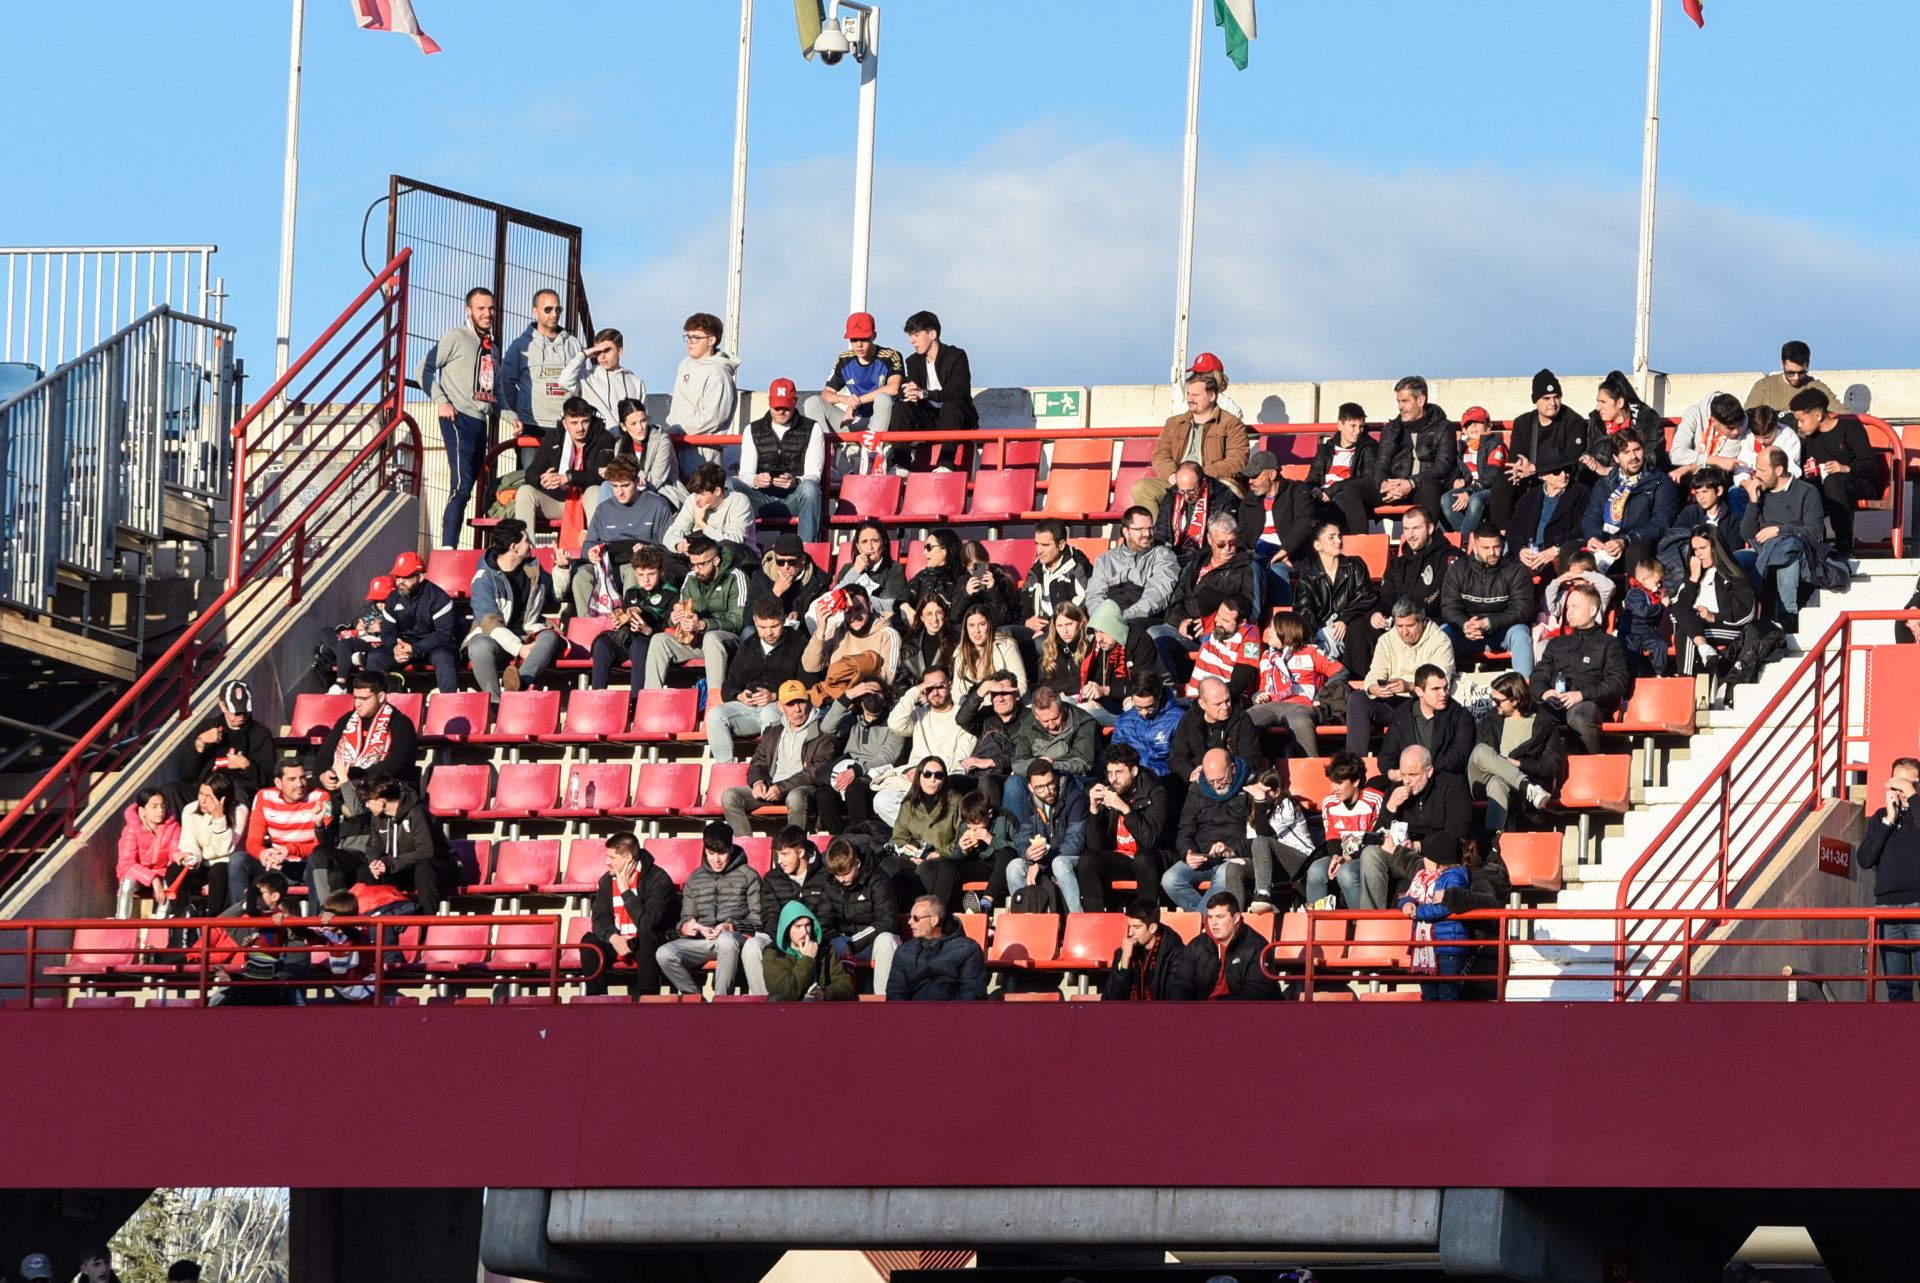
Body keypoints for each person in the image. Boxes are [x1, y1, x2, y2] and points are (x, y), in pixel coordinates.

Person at [420, 285, 499, 548]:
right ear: (469, 310)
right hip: (458, 418)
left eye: (490, 308)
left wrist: (513, 418)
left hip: (481, 420)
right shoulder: (456, 336)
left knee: (470, 487)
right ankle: (447, 547)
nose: (487, 313)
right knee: (461, 485)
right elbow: (424, 370)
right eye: (481, 308)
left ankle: (461, 547)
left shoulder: (492, 348)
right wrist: (442, 401)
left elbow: (496, 392)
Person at [1346, 745, 1472, 910]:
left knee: (1365, 861)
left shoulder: (1452, 786)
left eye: (1413, 775)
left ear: (1429, 770)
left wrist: (1419, 846)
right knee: (1367, 857)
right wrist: (1390, 808)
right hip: (1400, 853)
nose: (1407, 781)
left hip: (1435, 858)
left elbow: (1456, 832)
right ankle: (1372, 924)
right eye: (1403, 774)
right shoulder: (1395, 790)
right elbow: (1377, 835)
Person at [308, 775, 455, 913]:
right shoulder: (378, 817)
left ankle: (426, 922)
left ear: (381, 801)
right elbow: (374, 847)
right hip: (403, 868)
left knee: (424, 868)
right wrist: (376, 863)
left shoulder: (417, 813)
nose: (366, 805)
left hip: (438, 868)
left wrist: (390, 864)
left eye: (368, 800)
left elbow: (426, 851)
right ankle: (373, 917)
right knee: (366, 871)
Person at [655, 822, 764, 996]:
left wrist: (730, 926)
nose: (716, 860)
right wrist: (688, 927)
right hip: (704, 941)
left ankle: (721, 1001)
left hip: (736, 938)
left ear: (731, 848)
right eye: (711, 853)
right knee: (664, 953)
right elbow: (686, 917)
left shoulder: (749, 875)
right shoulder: (695, 878)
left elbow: (758, 922)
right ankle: (696, 1000)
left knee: (726, 941)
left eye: (722, 853)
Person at [565, 458, 676, 616]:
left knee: (633, 570)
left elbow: (668, 546)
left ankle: (629, 621)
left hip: (639, 564)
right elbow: (589, 543)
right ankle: (588, 625)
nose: (620, 492)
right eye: (615, 486)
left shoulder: (658, 505)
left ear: (637, 482)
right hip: (608, 563)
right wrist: (590, 552)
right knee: (582, 576)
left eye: (625, 485)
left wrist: (649, 550)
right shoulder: (604, 509)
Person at [722, 680, 835, 836]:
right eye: (790, 704)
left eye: (801, 702)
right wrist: (758, 782)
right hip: (772, 786)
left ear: (808, 702)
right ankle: (746, 847)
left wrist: (782, 787)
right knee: (730, 797)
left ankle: (795, 847)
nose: (797, 709)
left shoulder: (822, 730)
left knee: (795, 798)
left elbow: (817, 770)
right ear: (780, 707)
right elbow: (757, 763)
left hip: (802, 787)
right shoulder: (773, 731)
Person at [1529, 580, 1627, 754]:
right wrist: (1545, 692)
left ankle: (1589, 769)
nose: (1569, 612)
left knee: (1578, 714)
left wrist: (1581, 695)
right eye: (1568, 607)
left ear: (1592, 611)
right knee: (1533, 714)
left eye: (1575, 607)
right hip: (1556, 701)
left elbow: (1617, 683)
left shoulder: (1609, 644)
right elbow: (1539, 675)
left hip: (1589, 703)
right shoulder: (1556, 644)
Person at [803, 311, 904, 478]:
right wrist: (844, 399)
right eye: (854, 339)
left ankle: (872, 456)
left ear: (874, 336)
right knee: (812, 402)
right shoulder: (844, 359)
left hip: (880, 420)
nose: (858, 344)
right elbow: (826, 394)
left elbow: (893, 388)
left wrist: (856, 402)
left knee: (884, 399)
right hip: (854, 421)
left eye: (864, 339)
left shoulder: (890, 356)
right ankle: (828, 455)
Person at [1346, 599, 1455, 755]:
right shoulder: (1386, 640)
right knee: (1357, 699)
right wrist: (1373, 688)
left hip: (1422, 702)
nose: (1404, 632)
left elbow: (1439, 684)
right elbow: (1375, 673)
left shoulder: (1440, 641)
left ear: (1423, 622)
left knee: (1422, 705)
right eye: (1399, 626)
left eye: (1410, 626)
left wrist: (1410, 686)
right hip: (1393, 700)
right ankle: (1354, 763)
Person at [705, 597, 806, 762]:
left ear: (783, 619)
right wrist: (740, 695)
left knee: (768, 713)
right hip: (749, 709)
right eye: (762, 627)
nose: (769, 633)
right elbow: (730, 685)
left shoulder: (799, 643)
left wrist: (775, 696)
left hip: (780, 707)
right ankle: (726, 769)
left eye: (774, 626)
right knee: (715, 715)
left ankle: (767, 768)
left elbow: (806, 685)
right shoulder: (748, 646)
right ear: (755, 622)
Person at [1738, 445, 1827, 632]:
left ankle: (1788, 614)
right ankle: (1738, 615)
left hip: (1796, 549)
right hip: (1762, 550)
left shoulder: (1807, 492)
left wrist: (1780, 531)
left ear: (1778, 470)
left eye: (1762, 470)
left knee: (1786, 553)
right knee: (1734, 560)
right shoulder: (1761, 492)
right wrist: (1753, 502)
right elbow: (1746, 534)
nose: (1756, 474)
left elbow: (1816, 532)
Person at [645, 534, 750, 692]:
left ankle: (715, 700)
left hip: (728, 640)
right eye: (693, 565)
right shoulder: (691, 578)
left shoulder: (736, 577)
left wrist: (703, 624)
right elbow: (681, 610)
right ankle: (652, 700)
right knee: (659, 640)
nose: (696, 570)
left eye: (701, 565)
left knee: (711, 637)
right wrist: (675, 619)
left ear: (716, 561)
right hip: (696, 639)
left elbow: (739, 621)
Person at [1135, 370, 1248, 514]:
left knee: (1221, 494)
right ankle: (1157, 535)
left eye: (1195, 395)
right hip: (1177, 480)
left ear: (1212, 395)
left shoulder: (1232, 424)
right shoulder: (1174, 423)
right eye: (1188, 394)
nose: (1190, 399)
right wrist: (1174, 476)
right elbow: (1160, 455)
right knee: (1142, 488)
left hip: (1214, 481)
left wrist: (1200, 476)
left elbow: (1237, 460)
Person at [1790, 386, 1883, 560]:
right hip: (1827, 485)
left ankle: (1844, 545)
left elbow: (1871, 466)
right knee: (1806, 487)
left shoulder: (1850, 429)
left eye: (1802, 420)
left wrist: (1846, 468)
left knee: (1833, 481)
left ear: (1817, 415)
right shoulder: (1810, 439)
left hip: (1858, 483)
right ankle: (1813, 542)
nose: (1799, 425)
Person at [578, 834, 675, 999]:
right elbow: (599, 919)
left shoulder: (658, 879)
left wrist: (625, 892)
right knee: (589, 942)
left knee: (646, 938)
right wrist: (613, 937)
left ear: (628, 857)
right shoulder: (606, 881)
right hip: (619, 939)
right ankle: (596, 1000)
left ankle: (647, 999)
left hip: (648, 940)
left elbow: (647, 923)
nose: (606, 862)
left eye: (611, 857)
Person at [1077, 743, 1169, 912]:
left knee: (1143, 859)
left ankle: (1145, 919)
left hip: (1153, 857)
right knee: (1088, 858)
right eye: (1109, 773)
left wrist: (1126, 810)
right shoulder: (1108, 790)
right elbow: (1095, 845)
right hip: (1122, 858)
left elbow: (1151, 841)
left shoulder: (1155, 791)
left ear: (1134, 771)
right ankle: (1096, 919)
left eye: (1119, 772)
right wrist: (1094, 810)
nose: (1113, 779)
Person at [1858, 757, 1920, 1001]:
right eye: (1896, 783)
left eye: (1906, 783)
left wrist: (1912, 797)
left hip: (1918, 907)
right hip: (1886, 910)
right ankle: (1902, 1038)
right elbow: (1864, 859)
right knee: (1896, 987)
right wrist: (1888, 821)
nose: (1900, 790)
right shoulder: (1881, 816)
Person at [499, 288, 586, 462]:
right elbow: (505, 382)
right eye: (548, 309)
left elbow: (583, 382)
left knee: (565, 484)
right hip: (532, 426)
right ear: (535, 311)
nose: (554, 314)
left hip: (566, 426)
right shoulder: (520, 346)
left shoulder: (573, 344)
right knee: (531, 481)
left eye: (558, 309)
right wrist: (521, 408)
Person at [1468, 672, 1564, 830]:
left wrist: (1518, 763)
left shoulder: (1543, 723)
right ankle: (1526, 786)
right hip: (1483, 781)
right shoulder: (1491, 720)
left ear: (1515, 700)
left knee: (1497, 784)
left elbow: (1552, 766)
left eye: (1498, 701)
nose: (1493, 705)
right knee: (1480, 750)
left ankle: (1494, 841)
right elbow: (1482, 759)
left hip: (1513, 790)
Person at [314, 672, 420, 813]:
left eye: (364, 699)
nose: (358, 704)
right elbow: (324, 755)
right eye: (355, 698)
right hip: (343, 783)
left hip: (381, 789)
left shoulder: (400, 723)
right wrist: (323, 775)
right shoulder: (347, 720)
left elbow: (397, 763)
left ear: (381, 697)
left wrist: (356, 776)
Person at [1439, 527, 1537, 677]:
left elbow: (1521, 611)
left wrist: (1488, 623)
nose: (1492, 552)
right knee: (1441, 635)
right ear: (1475, 547)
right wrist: (1465, 624)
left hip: (1502, 630)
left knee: (1521, 634)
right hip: (1466, 632)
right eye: (1486, 548)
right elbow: (1449, 607)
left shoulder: (1517, 570)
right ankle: (1438, 687)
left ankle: (1524, 689)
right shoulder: (1458, 569)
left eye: (1496, 546)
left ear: (1502, 545)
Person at [1578, 430, 1678, 575]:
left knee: (1637, 550)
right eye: (1626, 452)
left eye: (1637, 450)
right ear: (1616, 458)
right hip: (1606, 542)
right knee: (1571, 549)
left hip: (1637, 543)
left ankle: (1634, 597)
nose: (1633, 457)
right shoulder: (1604, 483)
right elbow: (1592, 515)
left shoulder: (1660, 482)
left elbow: (1661, 523)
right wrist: (1593, 537)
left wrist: (1625, 540)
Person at [738, 377, 826, 541]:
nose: (781, 412)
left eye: (785, 407)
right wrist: (755, 480)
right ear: (769, 402)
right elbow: (745, 473)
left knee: (810, 488)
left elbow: (814, 474)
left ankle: (807, 551)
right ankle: (736, 547)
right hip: (761, 498)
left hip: (794, 498)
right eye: (777, 407)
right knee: (729, 485)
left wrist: (795, 482)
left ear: (795, 402)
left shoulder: (813, 428)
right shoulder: (752, 429)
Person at [1249, 611, 1345, 759]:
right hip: (1270, 705)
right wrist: (1258, 696)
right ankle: (1248, 768)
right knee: (1246, 720)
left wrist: (1321, 696)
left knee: (1299, 721)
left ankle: (1311, 767)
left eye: (1272, 628)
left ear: (1286, 631)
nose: (1267, 632)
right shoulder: (1267, 657)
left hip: (1301, 705)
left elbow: (1340, 671)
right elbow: (1263, 688)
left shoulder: (1310, 652)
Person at [1165, 748, 1252, 910]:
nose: (1216, 786)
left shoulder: (1250, 789)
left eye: (1221, 779)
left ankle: (1206, 927)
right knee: (1170, 880)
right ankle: (1210, 920)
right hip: (1205, 857)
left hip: (1236, 857)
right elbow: (1185, 829)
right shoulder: (1197, 789)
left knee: (1223, 876)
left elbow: (1260, 837)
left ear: (1232, 769)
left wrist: (1231, 850)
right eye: (1210, 781)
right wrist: (1188, 853)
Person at [235, 758, 329, 904]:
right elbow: (253, 841)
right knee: (238, 860)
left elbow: (324, 845)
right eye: (292, 779)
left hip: (306, 863)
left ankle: (315, 921)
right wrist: (263, 854)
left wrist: (290, 850)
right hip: (276, 864)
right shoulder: (263, 796)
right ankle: (242, 918)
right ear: (278, 783)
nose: (299, 784)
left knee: (317, 861)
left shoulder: (321, 797)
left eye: (303, 777)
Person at [365, 550, 460, 693]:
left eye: (407, 577)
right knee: (375, 657)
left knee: (443, 656)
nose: (401, 582)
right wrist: (394, 649)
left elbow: (444, 634)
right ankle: (382, 700)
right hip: (405, 645)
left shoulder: (438, 598)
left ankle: (448, 702)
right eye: (397, 577)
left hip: (433, 645)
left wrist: (415, 649)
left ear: (421, 577)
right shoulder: (392, 598)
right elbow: (387, 630)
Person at [1673, 525, 1758, 684]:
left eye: (1702, 548)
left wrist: (1713, 616)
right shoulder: (1694, 575)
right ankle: (1703, 648)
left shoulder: (1733, 574)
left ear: (1715, 547)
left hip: (1726, 628)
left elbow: (1746, 612)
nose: (1698, 554)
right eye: (1695, 549)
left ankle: (1685, 683)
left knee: (1685, 633)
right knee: (1680, 611)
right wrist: (1692, 580)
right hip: (1698, 627)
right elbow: (1677, 610)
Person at [1002, 758, 1089, 911]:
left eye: (1050, 784)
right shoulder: (1029, 803)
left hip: (1073, 859)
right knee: (1014, 867)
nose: (1047, 791)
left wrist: (1041, 865)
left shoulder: (1076, 797)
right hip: (1045, 860)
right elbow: (1023, 839)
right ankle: (1024, 919)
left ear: (1055, 778)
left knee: (1060, 864)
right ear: (1030, 787)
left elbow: (1075, 843)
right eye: (1040, 787)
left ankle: (1077, 919)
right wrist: (1027, 854)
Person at [516, 395, 613, 532]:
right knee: (525, 492)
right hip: (560, 501)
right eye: (574, 423)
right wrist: (542, 480)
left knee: (594, 491)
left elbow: (600, 476)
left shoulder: (604, 438)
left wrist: (568, 477)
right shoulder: (553, 437)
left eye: (585, 421)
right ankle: (524, 549)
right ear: (564, 423)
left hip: (588, 501)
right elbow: (531, 472)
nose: (580, 428)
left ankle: (595, 547)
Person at [815, 687, 907, 831]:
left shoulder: (893, 723)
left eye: (878, 693)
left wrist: (856, 771)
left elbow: (887, 757)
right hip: (846, 771)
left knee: (855, 790)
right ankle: (839, 841)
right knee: (824, 795)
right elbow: (827, 727)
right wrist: (848, 695)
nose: (873, 699)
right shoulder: (852, 719)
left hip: (878, 775)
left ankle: (860, 838)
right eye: (868, 695)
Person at [171, 679, 274, 806]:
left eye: (245, 711)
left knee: (239, 791)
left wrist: (246, 765)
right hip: (206, 789)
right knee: (172, 790)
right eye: (236, 712)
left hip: (238, 791)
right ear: (223, 706)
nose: (241, 716)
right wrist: (200, 743)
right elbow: (186, 775)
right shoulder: (207, 727)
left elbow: (271, 780)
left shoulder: (260, 734)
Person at [898, 310, 978, 473]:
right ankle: (901, 464)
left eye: (916, 335)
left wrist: (925, 394)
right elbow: (910, 388)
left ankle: (945, 463)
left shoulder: (956, 356)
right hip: (929, 419)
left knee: (952, 405)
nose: (912, 341)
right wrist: (908, 392)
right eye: (910, 336)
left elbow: (958, 391)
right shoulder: (913, 361)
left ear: (932, 334)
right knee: (901, 408)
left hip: (956, 420)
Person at [816, 838, 900, 993]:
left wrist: (854, 944)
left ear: (857, 863)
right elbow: (824, 916)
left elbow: (887, 920)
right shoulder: (830, 881)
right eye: (837, 875)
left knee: (887, 941)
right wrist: (822, 933)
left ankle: (884, 1000)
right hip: (844, 939)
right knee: (816, 945)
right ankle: (825, 998)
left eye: (846, 873)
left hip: (872, 941)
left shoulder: (878, 879)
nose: (841, 879)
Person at [1302, 753, 1386, 906]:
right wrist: (1335, 856)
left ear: (1355, 781)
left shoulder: (1375, 800)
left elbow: (1377, 841)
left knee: (1346, 874)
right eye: (1332, 782)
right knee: (1315, 870)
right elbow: (1332, 835)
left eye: (1339, 783)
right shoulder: (1329, 803)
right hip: (1341, 855)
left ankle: (1358, 924)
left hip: (1366, 857)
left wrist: (1348, 858)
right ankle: (1317, 924)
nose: (1334, 788)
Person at [1236, 448, 1315, 607]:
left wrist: (1284, 551)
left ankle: (1281, 624)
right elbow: (1243, 535)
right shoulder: (1249, 501)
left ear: (1272, 474)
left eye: (1255, 476)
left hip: (1290, 557)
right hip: (1256, 555)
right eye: (1249, 477)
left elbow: (1306, 521)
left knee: (1276, 572)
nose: (1250, 481)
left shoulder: (1297, 491)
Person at [1398, 830, 1471, 1001]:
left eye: (1427, 856)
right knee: (1429, 993)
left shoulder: (1455, 876)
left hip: (1448, 945)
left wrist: (1418, 912)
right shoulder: (1421, 876)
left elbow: (1446, 905)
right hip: (1425, 945)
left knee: (1448, 992)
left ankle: (1448, 1026)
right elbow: (1408, 895)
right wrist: (1407, 903)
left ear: (1439, 861)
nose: (1423, 860)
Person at [1167, 516, 1257, 651]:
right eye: (1221, 544)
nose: (1228, 548)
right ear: (1210, 540)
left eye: (1233, 543)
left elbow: (1252, 611)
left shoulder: (1248, 568)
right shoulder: (1197, 562)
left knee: (1158, 637)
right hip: (1182, 626)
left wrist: (1214, 623)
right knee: (1152, 634)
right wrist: (1181, 621)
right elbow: (1177, 597)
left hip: (1217, 633)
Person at [1374, 375, 1457, 516]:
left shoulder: (1444, 427)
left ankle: (1427, 537)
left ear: (1420, 400)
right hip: (1393, 489)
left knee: (1431, 489)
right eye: (1398, 401)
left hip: (1423, 488)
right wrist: (1383, 484)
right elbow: (1381, 463)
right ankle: (1354, 537)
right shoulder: (1391, 428)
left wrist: (1411, 483)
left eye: (1405, 401)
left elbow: (1443, 466)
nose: (1400, 407)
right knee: (1354, 490)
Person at [665, 311, 740, 471]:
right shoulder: (684, 364)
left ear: (711, 340)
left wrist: (680, 429)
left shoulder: (719, 373)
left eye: (696, 338)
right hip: (676, 443)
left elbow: (714, 417)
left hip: (703, 449)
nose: (690, 342)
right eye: (688, 337)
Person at [1292, 521, 1374, 664]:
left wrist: (1344, 619)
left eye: (1339, 536)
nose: (1338, 541)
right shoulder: (1307, 578)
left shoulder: (1354, 565)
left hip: (1353, 624)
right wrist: (1313, 635)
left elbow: (1366, 597)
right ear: (1318, 545)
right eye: (1331, 537)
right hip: (1322, 629)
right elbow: (1304, 610)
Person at [803, 583, 901, 703]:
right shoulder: (837, 630)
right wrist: (820, 629)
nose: (854, 616)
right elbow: (810, 666)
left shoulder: (888, 635)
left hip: (867, 702)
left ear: (870, 607)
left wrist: (853, 691)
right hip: (835, 700)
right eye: (848, 611)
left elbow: (887, 678)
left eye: (859, 609)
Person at [1085, 506, 1181, 628]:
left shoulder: (1164, 556)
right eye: (1140, 529)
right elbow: (1095, 594)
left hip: (1145, 619)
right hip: (1107, 621)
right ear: (1126, 531)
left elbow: (1156, 596)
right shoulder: (1105, 560)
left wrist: (1121, 618)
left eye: (1150, 528)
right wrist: (1100, 617)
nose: (1147, 534)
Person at [590, 560, 677, 693]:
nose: (646, 579)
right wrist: (620, 620)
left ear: (661, 572)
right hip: (628, 639)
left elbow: (669, 627)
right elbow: (624, 614)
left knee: (639, 644)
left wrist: (648, 630)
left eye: (651, 574)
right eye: (641, 575)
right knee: (602, 644)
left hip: (651, 641)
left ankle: (637, 701)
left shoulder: (671, 593)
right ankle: (596, 699)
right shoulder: (632, 592)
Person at [1380, 663, 1476, 781]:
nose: (1444, 694)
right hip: (1406, 780)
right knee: (1374, 785)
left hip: (1443, 780)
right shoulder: (1401, 716)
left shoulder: (1460, 715)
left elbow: (1459, 755)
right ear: (1419, 691)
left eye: (1445, 688)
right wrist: (1391, 772)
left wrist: (1425, 773)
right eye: (1436, 689)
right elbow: (1387, 754)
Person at [1177, 890, 1278, 1001]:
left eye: (1220, 917)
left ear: (1236, 918)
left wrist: (1219, 1006)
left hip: (1243, 1013)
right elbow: (1181, 985)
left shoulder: (1257, 946)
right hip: (1201, 1012)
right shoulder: (1196, 946)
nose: (1214, 923)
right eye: (1210, 917)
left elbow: (1256, 992)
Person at [1506, 368, 1590, 499]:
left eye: (1556, 397)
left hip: (1560, 480)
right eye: (1546, 398)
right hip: (1528, 479)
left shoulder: (1574, 421)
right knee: (1502, 485)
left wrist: (1535, 469)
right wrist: (1518, 470)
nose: (1553, 403)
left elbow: (1572, 460)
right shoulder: (1523, 422)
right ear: (1535, 400)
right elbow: (1514, 460)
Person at [1078, 604, 1166, 727]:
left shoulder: (1141, 641)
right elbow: (1096, 679)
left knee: (1131, 704)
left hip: (1146, 700)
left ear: (1115, 628)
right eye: (1096, 632)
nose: (1099, 639)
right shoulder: (1098, 646)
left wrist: (1106, 690)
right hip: (1111, 702)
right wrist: (1092, 688)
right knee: (1075, 708)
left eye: (1103, 632)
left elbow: (1142, 686)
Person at [886, 894, 988, 1000]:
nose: (909, 922)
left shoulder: (968, 949)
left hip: (954, 1014)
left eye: (915, 918)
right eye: (909, 917)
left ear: (934, 920)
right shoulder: (903, 952)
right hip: (914, 1014)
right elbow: (895, 995)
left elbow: (973, 993)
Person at [174, 772, 244, 916]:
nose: (202, 800)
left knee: (219, 869)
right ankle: (182, 916)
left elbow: (223, 851)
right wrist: (191, 856)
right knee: (175, 868)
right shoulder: (190, 809)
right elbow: (189, 841)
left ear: (222, 798)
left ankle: (212, 918)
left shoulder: (240, 811)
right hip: (201, 864)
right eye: (201, 794)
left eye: (209, 797)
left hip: (224, 864)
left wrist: (219, 819)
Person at [1507, 453, 1589, 575]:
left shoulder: (1580, 493)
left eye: (1566, 470)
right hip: (1529, 556)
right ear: (1543, 476)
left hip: (1558, 557)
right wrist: (1521, 549)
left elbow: (1583, 528)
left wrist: (1556, 548)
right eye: (1557, 472)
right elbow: (1513, 528)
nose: (1563, 475)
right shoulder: (1530, 496)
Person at [1168, 676, 1259, 782]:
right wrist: (1190, 773)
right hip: (1197, 783)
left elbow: (1251, 758)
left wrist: (1225, 775)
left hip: (1231, 781)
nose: (1225, 707)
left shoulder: (1241, 720)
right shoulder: (1189, 721)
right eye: (1218, 704)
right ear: (1202, 704)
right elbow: (1177, 757)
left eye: (1227, 700)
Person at [1582, 369, 1671, 479]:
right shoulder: (1597, 420)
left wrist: (1611, 471)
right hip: (1603, 482)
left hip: (1644, 480)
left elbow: (1652, 459)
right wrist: (1588, 460)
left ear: (1620, 403)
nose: (1598, 407)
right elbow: (1590, 451)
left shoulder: (1647, 419)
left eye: (1603, 402)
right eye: (1598, 401)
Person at [1437, 405, 1509, 538]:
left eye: (1478, 423)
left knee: (1475, 500)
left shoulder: (1495, 444)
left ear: (1488, 426)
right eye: (1469, 425)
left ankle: (1463, 541)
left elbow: (1493, 474)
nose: (1473, 427)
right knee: (1446, 499)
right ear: (1464, 430)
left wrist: (1470, 491)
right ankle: (1465, 535)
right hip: (1469, 487)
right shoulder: (1462, 448)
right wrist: (1456, 480)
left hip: (1489, 489)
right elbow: (1456, 469)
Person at [1173, 596, 1261, 703]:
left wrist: (1211, 699)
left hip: (1217, 700)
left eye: (1225, 621)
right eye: (1218, 615)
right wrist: (1227, 602)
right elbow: (1205, 595)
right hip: (1192, 695)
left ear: (1242, 623)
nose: (1218, 622)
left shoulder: (1251, 635)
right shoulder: (1213, 621)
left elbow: (1241, 679)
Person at [1152, 461, 1240, 570]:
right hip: (1173, 554)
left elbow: (1223, 537)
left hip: (1203, 556)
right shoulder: (1172, 495)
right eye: (1182, 491)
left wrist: (1196, 557)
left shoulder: (1222, 497)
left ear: (1203, 482)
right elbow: (1161, 531)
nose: (1186, 497)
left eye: (1191, 491)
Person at [762, 900, 855, 1001]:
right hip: (787, 1012)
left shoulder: (825, 949)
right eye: (798, 927)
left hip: (820, 1009)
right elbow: (784, 993)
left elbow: (846, 987)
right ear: (787, 929)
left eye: (807, 925)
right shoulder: (774, 954)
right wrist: (807, 959)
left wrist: (824, 993)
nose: (804, 932)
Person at [1306, 404, 1378, 534]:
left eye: (1361, 426)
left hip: (1346, 495)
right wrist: (1314, 488)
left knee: (1339, 501)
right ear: (1340, 425)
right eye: (1353, 426)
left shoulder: (1368, 447)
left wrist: (1332, 490)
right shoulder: (1325, 449)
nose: (1357, 431)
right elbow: (1313, 476)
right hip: (1323, 495)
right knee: (1299, 497)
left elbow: (1365, 479)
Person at [602, 396, 685, 506]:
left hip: (663, 493)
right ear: (623, 426)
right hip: (632, 491)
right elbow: (622, 479)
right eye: (633, 423)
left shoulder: (662, 441)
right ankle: (605, 522)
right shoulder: (619, 446)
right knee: (606, 487)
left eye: (643, 421)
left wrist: (628, 474)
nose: (640, 427)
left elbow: (655, 481)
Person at [115, 788, 181, 918]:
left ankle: (161, 923)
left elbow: (175, 850)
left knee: (170, 882)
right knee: (128, 883)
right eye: (154, 807)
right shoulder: (131, 830)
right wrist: (152, 878)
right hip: (137, 875)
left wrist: (179, 856)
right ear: (142, 811)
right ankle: (121, 923)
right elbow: (127, 864)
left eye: (162, 806)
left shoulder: (173, 827)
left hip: (162, 873)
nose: (160, 810)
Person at [564, 326, 647, 430]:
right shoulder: (585, 377)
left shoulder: (636, 383)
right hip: (596, 441)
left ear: (620, 351)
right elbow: (564, 381)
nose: (602, 356)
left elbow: (643, 417)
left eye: (607, 350)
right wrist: (584, 354)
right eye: (598, 352)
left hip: (625, 442)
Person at [665, 461, 755, 554]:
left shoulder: (739, 501)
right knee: (666, 553)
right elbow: (673, 532)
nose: (697, 498)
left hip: (733, 556)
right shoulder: (692, 500)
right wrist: (679, 546)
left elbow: (736, 541)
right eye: (696, 493)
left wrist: (701, 524)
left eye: (702, 494)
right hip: (700, 556)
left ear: (717, 491)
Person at [1101, 901, 1185, 1001]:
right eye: (1129, 926)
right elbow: (1109, 1001)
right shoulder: (1123, 952)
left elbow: (1176, 998)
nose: (1130, 933)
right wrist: (1124, 962)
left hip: (1160, 1014)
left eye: (1137, 927)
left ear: (1152, 928)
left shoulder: (1175, 953)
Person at [1021, 518, 1092, 634]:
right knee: (1006, 634)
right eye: (1037, 544)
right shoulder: (1036, 569)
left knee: (1038, 644)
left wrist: (1048, 630)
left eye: (1045, 545)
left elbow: (1079, 610)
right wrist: (1026, 622)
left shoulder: (1078, 567)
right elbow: (1024, 606)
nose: (1039, 551)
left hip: (1063, 632)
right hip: (1035, 629)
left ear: (1061, 545)